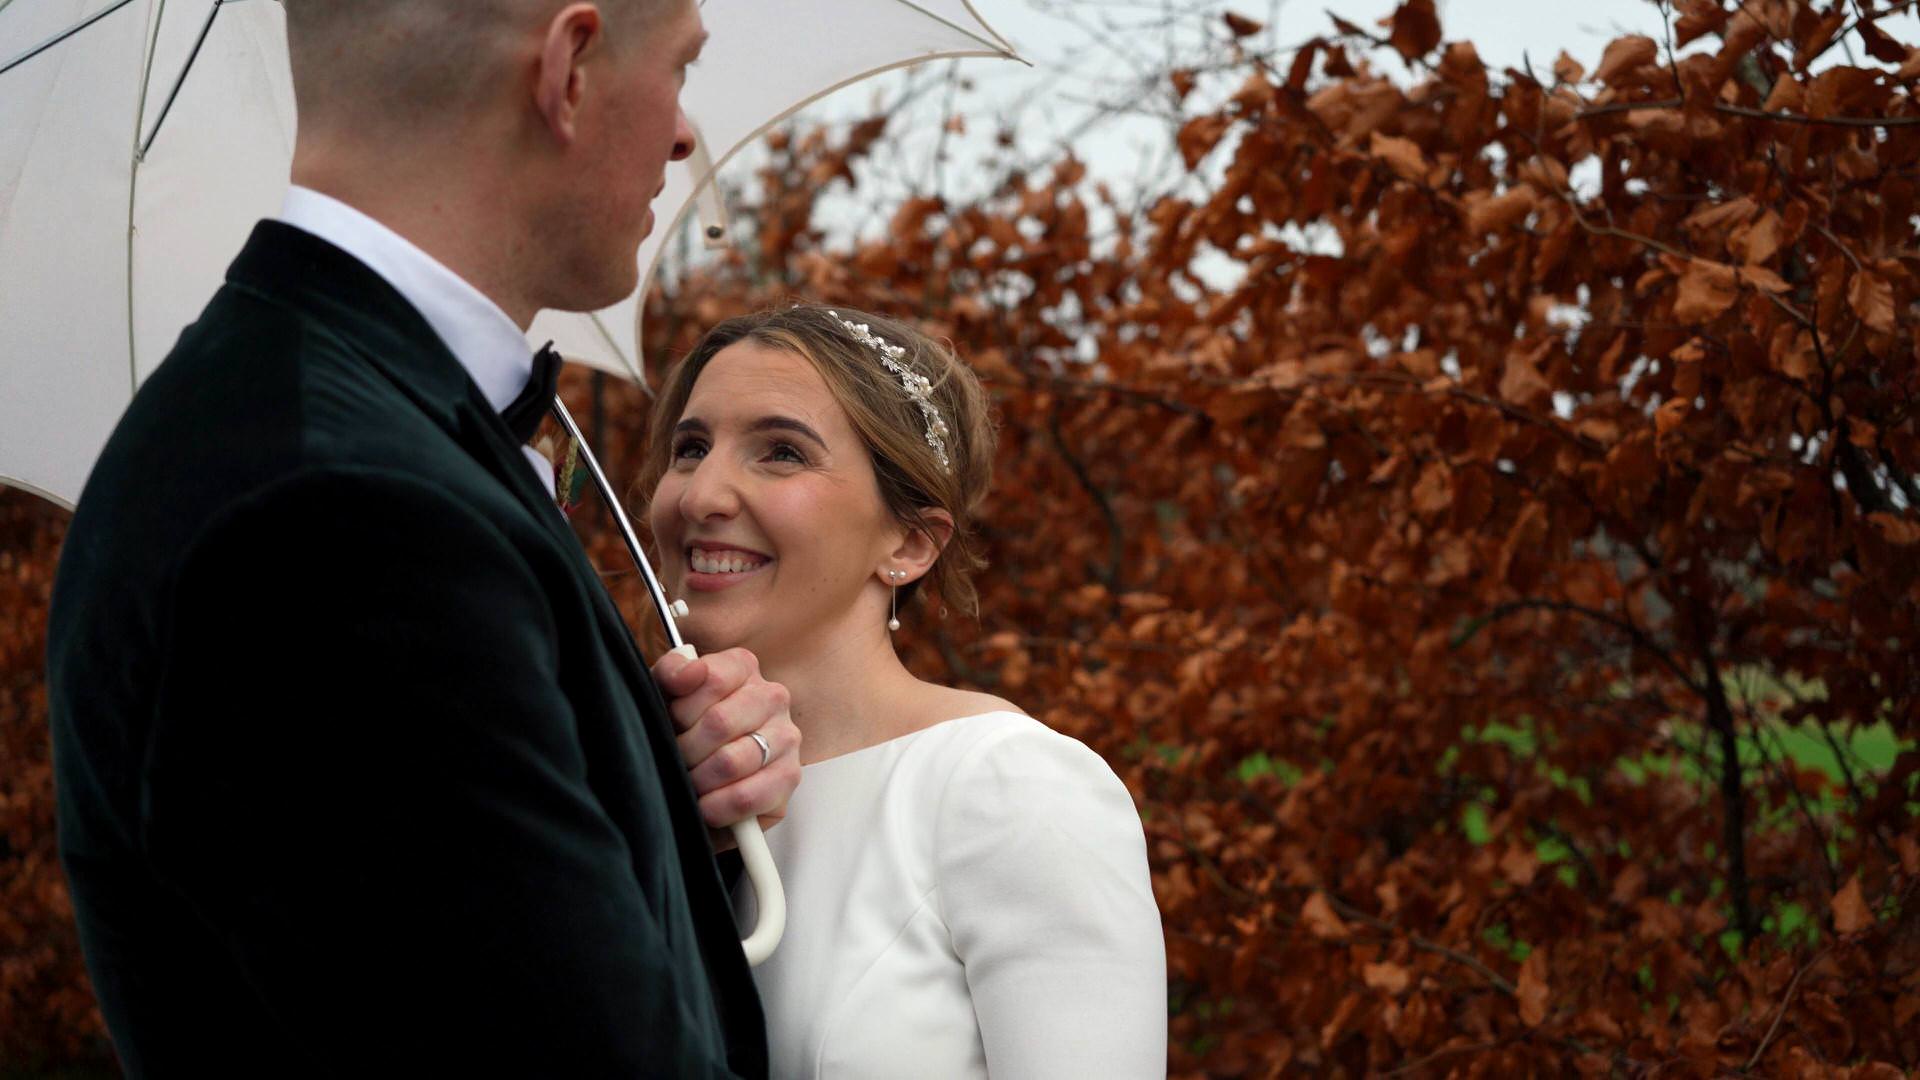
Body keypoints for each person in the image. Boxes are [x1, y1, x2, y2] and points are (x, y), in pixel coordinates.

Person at [44, 1, 798, 1075]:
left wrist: (648, 797)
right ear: (570, 66)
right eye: (679, 71)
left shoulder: (338, 423)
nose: (685, 134)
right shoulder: (334, 517)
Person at [639, 304, 1168, 1077]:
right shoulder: (642, 785)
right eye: (691, 448)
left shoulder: (1007, 788)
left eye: (781, 453)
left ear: (911, 543)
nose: (699, 495)